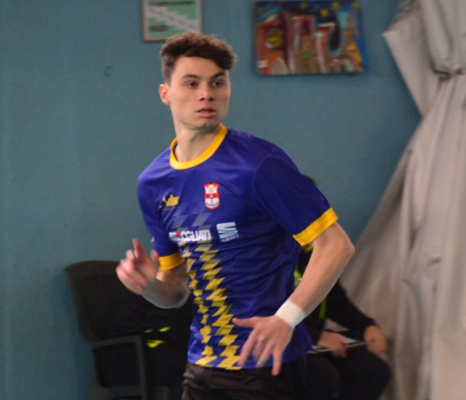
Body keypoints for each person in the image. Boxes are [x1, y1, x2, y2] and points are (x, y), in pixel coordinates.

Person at [116, 31, 355, 400]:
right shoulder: (153, 183)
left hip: (265, 366)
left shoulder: (258, 164)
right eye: (191, 83)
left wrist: (287, 318)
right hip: (201, 365)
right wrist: (149, 286)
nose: (206, 93)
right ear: (165, 93)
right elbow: (174, 291)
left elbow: (336, 246)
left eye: (217, 82)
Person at [298, 244, 391, 400]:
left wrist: (366, 326)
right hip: (279, 345)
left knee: (375, 371)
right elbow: (263, 315)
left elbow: (335, 302)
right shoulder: (271, 254)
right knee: (323, 377)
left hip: (313, 345)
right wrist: (315, 337)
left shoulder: (315, 252)